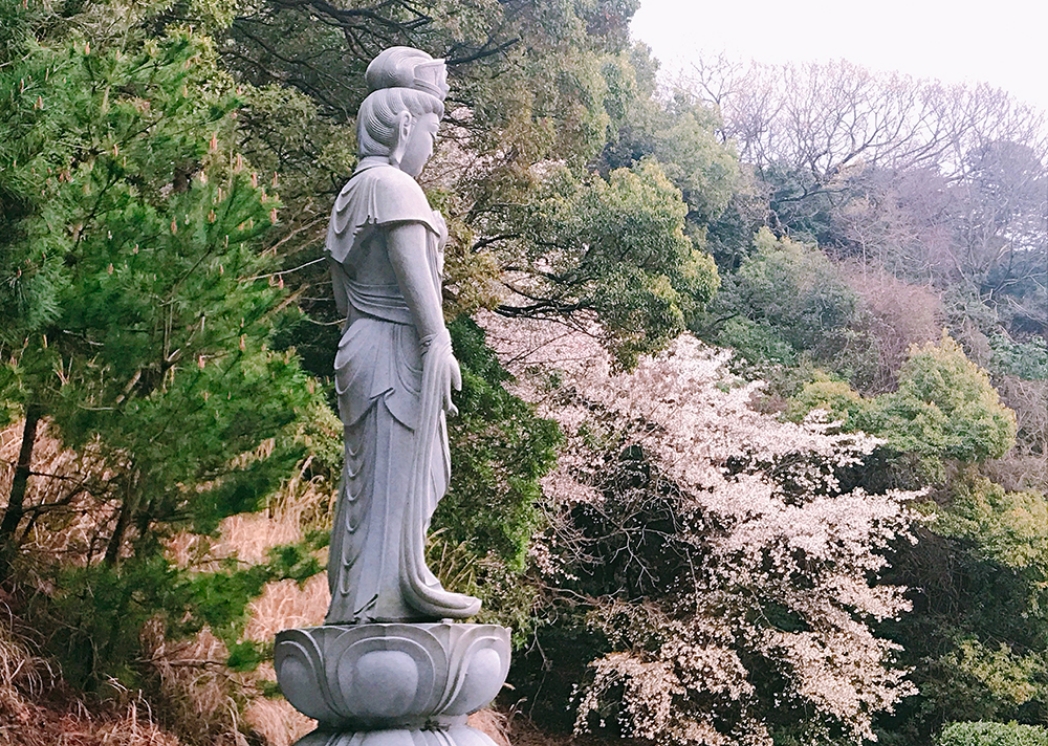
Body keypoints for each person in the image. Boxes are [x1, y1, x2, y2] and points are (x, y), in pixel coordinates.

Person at [324, 47, 481, 624]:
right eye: (433, 133)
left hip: (361, 346)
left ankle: (358, 598)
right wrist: (439, 343)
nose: (432, 148)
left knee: (368, 489)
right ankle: (385, 602)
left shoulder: (351, 194)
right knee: (394, 484)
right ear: (407, 124)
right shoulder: (394, 189)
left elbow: (345, 299)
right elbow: (422, 296)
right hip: (394, 353)